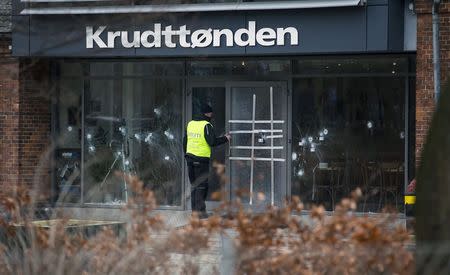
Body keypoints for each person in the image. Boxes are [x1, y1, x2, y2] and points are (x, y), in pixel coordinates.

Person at [183, 104, 231, 218]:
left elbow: (185, 141)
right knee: (202, 186)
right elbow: (212, 142)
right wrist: (225, 138)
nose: (212, 115)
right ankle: (200, 213)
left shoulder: (190, 124)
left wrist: (187, 155)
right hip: (201, 160)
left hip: (190, 159)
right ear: (207, 113)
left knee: (195, 185)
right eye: (211, 113)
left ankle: (195, 212)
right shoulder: (206, 125)